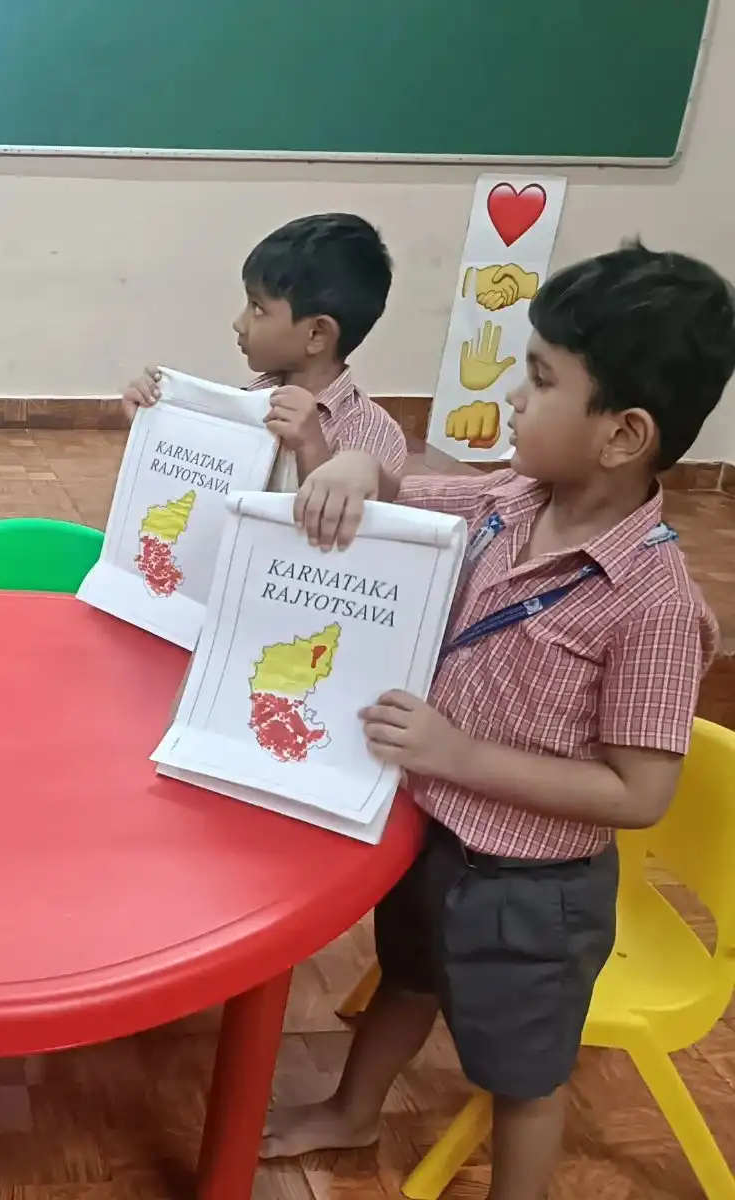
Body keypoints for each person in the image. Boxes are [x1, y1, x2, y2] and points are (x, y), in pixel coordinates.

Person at [268, 240, 734, 1199]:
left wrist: (458, 752)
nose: (514, 401)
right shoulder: (510, 498)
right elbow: (397, 491)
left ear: (622, 433)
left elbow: (639, 791)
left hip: (537, 891)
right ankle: (353, 1115)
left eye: (541, 380)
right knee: (406, 977)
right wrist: (349, 460)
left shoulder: (651, 603)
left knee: (522, 1080)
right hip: (436, 838)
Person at [122, 212, 407, 481]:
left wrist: (311, 447)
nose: (239, 323)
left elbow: (355, 527)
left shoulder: (371, 431)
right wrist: (152, 422)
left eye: (258, 308)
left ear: (317, 334)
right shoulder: (246, 402)